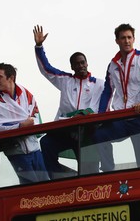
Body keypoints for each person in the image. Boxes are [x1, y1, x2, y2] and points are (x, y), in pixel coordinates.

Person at [33, 25, 104, 178]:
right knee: (46, 143)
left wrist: (80, 115)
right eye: (77, 64)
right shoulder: (65, 80)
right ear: (72, 66)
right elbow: (46, 68)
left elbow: (97, 108)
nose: (80, 66)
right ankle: (59, 180)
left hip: (87, 133)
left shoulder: (98, 84)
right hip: (65, 131)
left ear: (87, 63)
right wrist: (39, 46)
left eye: (82, 62)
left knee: (89, 174)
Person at [94, 23, 140, 171]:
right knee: (99, 135)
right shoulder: (113, 64)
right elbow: (107, 91)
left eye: (129, 37)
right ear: (117, 40)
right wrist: (100, 116)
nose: (127, 41)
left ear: (134, 39)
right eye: (123, 38)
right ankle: (108, 171)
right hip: (121, 117)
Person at [0, 63, 49, 184]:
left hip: (35, 149)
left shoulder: (26, 94)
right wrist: (19, 127)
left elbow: (36, 118)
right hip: (15, 151)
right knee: (29, 188)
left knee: (46, 186)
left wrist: (28, 125)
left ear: (11, 78)